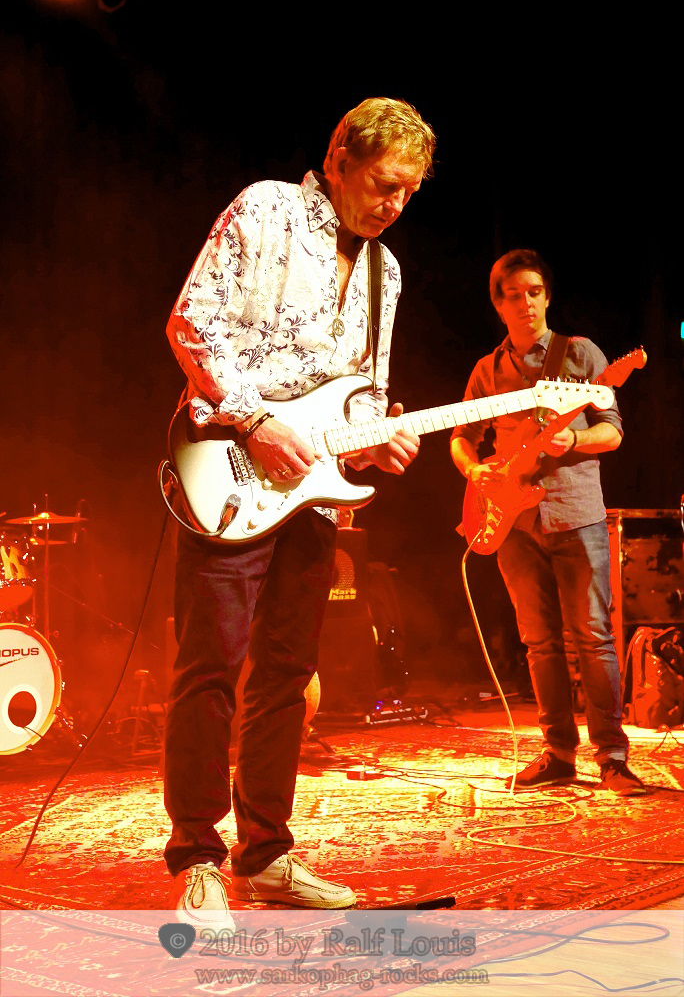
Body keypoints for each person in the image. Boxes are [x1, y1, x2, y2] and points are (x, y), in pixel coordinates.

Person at [164, 98, 436, 927]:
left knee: (287, 674)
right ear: (340, 158)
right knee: (211, 666)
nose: (395, 204)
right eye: (385, 184)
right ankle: (197, 857)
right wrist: (256, 421)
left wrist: (376, 444)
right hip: (228, 466)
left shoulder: (388, 273)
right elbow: (191, 324)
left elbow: (366, 397)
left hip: (313, 492)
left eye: (410, 192)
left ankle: (267, 854)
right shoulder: (266, 209)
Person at [450, 249, 645, 797]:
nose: (526, 303)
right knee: (538, 641)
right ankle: (558, 752)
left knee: (594, 636)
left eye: (534, 292)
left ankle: (612, 757)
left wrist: (573, 438)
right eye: (513, 295)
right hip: (514, 519)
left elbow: (613, 431)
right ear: (499, 304)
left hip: (576, 513)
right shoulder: (487, 371)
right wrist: (475, 471)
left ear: (547, 296)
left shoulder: (580, 354)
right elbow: (462, 437)